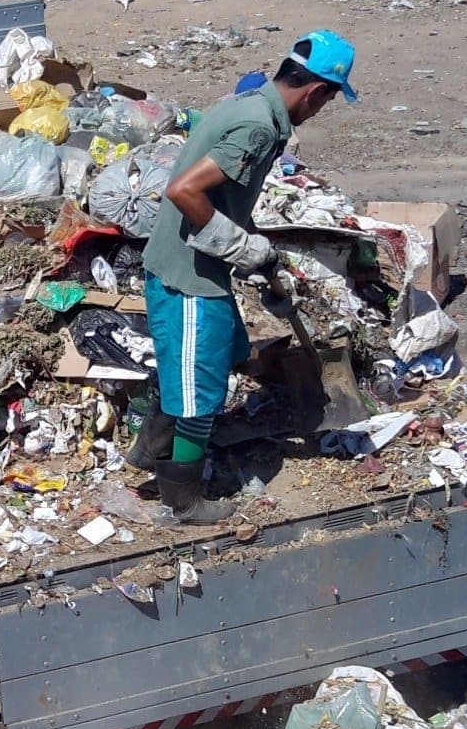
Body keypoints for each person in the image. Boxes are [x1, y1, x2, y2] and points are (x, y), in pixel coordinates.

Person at [129, 30, 358, 524]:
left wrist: (261, 259)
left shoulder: (253, 102)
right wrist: (243, 248)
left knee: (216, 358)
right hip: (186, 275)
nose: (320, 111)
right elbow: (185, 191)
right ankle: (184, 502)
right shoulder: (258, 127)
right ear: (318, 91)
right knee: (198, 395)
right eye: (328, 101)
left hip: (199, 267)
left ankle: (150, 453)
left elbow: (225, 202)